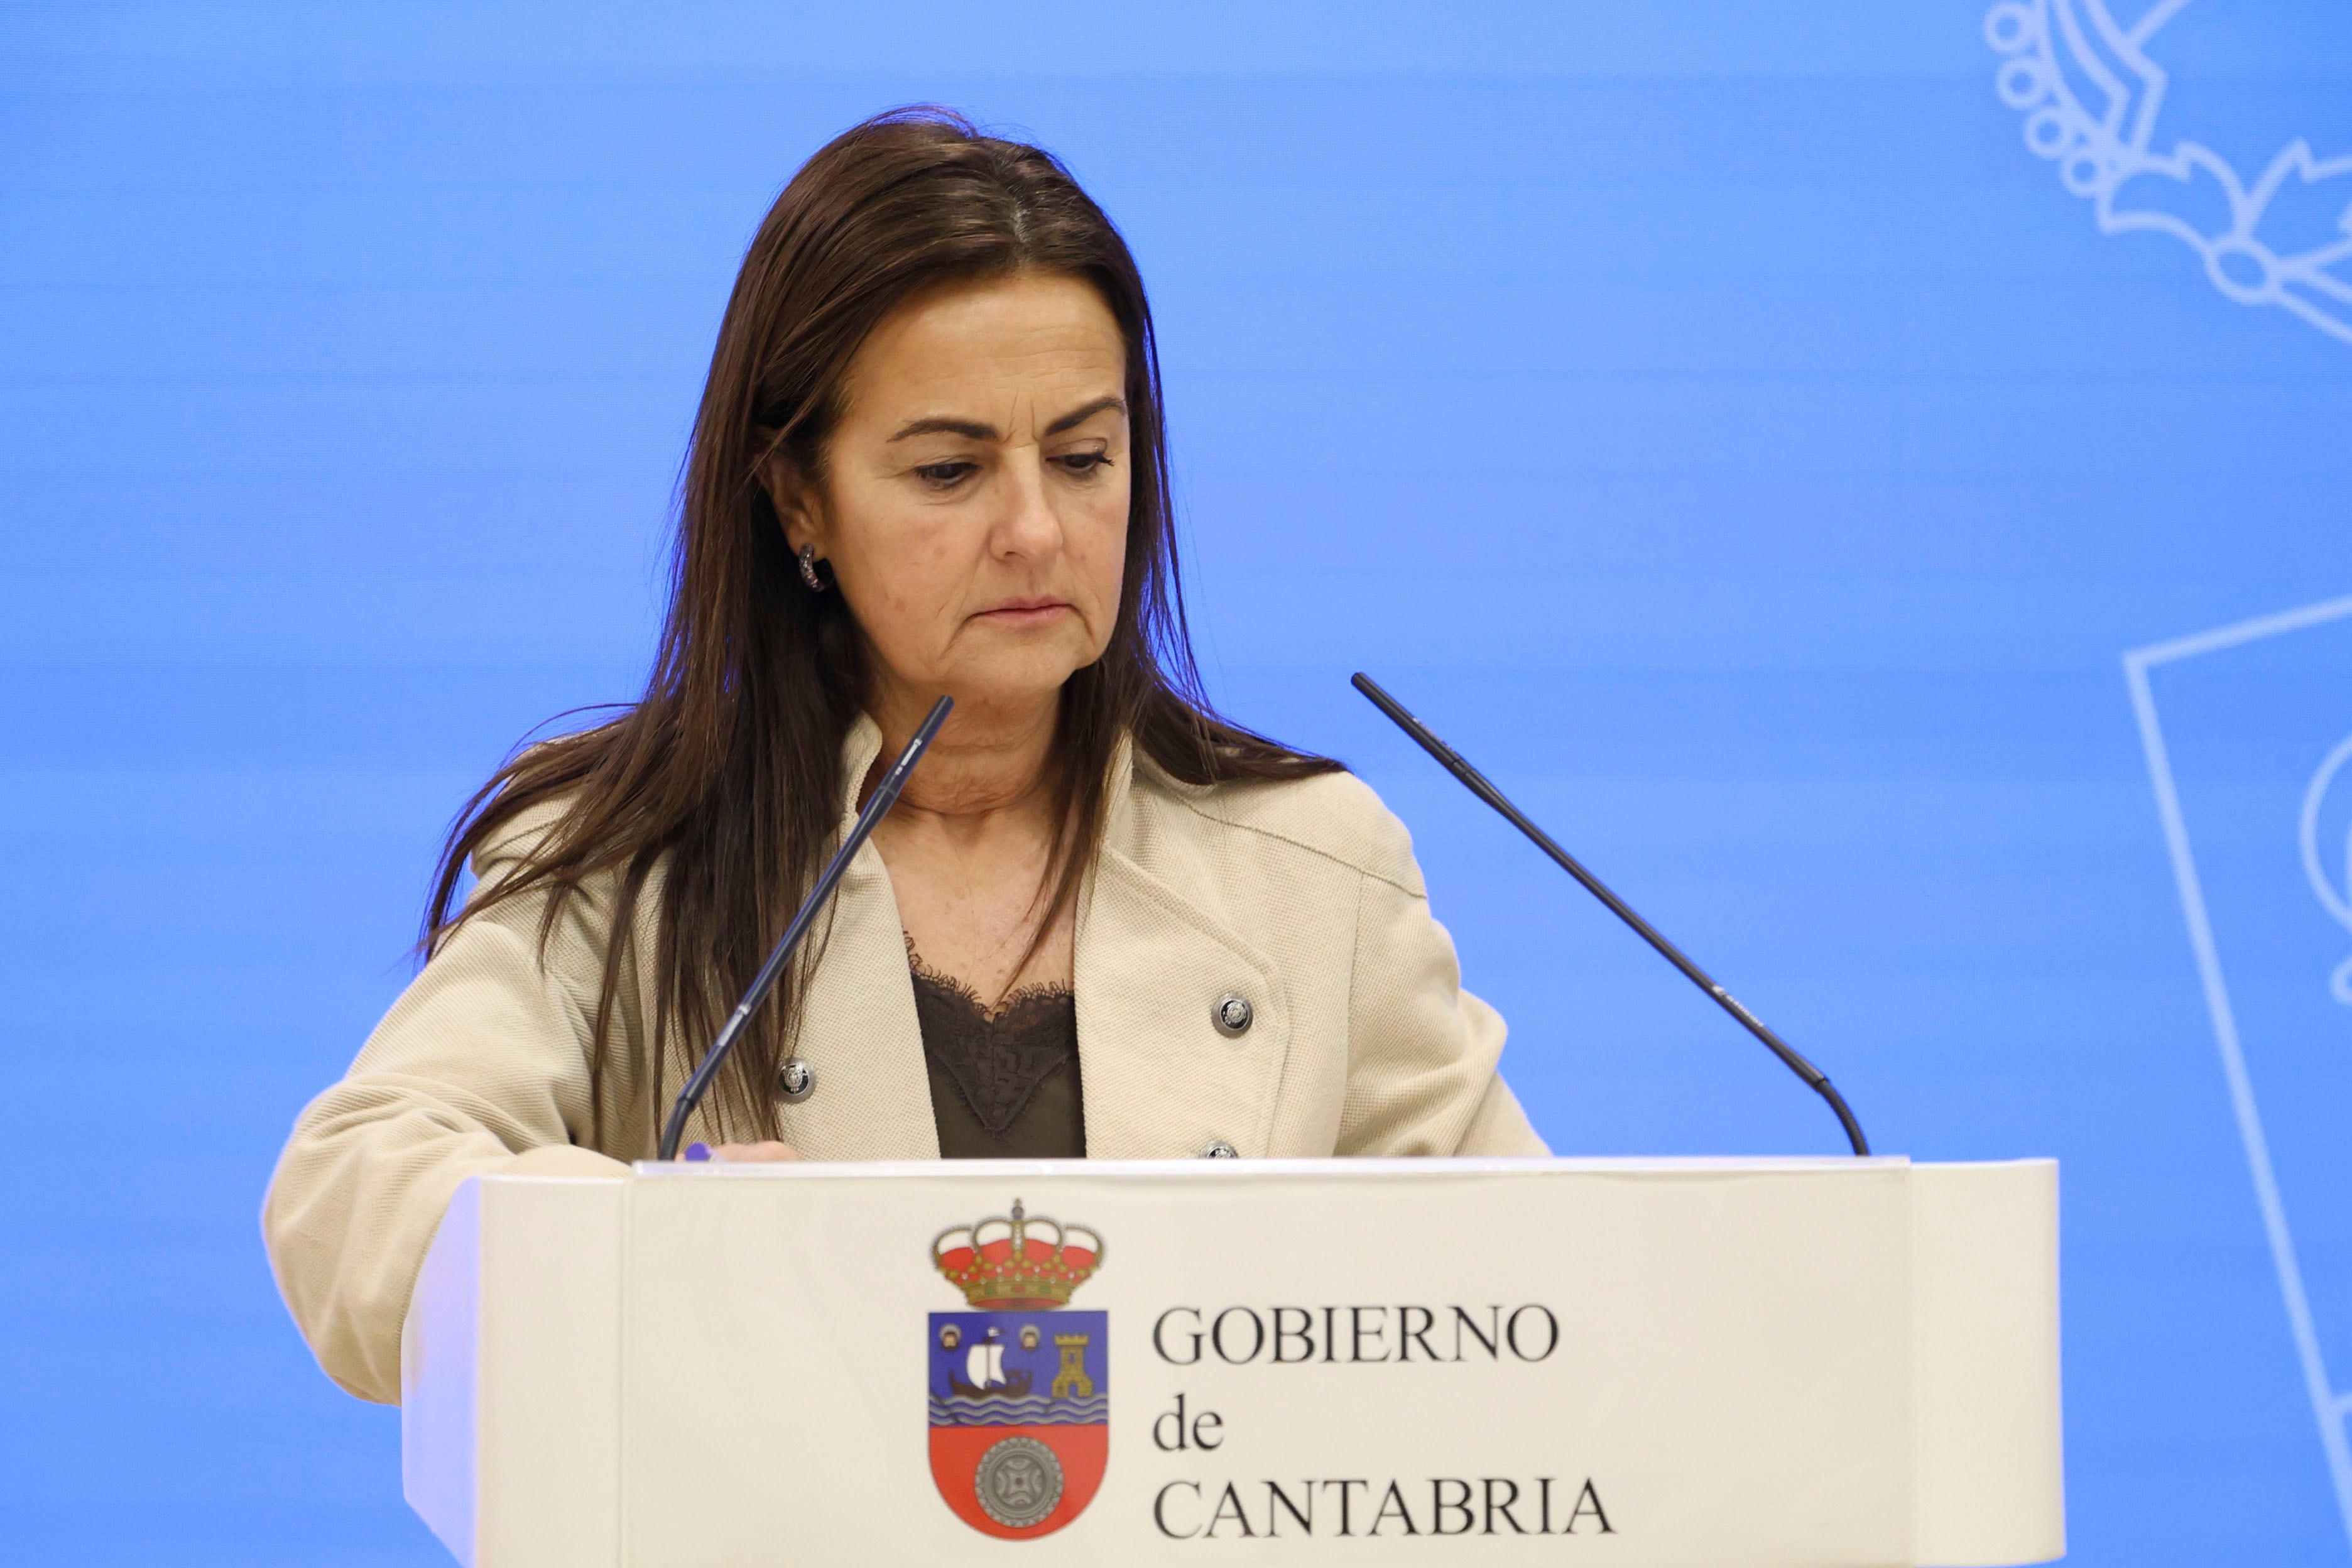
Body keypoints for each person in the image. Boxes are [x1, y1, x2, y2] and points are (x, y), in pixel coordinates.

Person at [263, 107, 1547, 1405]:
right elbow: (350, 1195)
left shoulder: (1313, 860)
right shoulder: (625, 857)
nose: (1038, 531)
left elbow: (1540, 1299)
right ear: (798, 499)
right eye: (950, 471)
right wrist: (633, 1246)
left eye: (1086, 457)